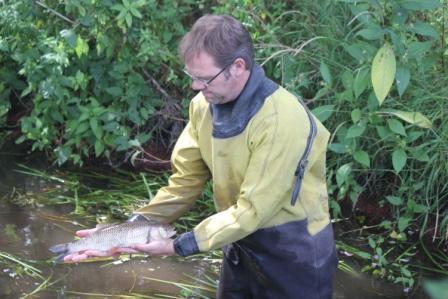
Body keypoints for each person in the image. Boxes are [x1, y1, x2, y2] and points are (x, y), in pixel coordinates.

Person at [64, 14, 338, 299]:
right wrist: (131, 228)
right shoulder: (202, 106)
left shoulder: (282, 120)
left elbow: (254, 209)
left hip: (294, 253)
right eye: (192, 76)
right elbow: (186, 180)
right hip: (236, 240)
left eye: (204, 78)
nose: (195, 86)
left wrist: (179, 244)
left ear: (238, 67)